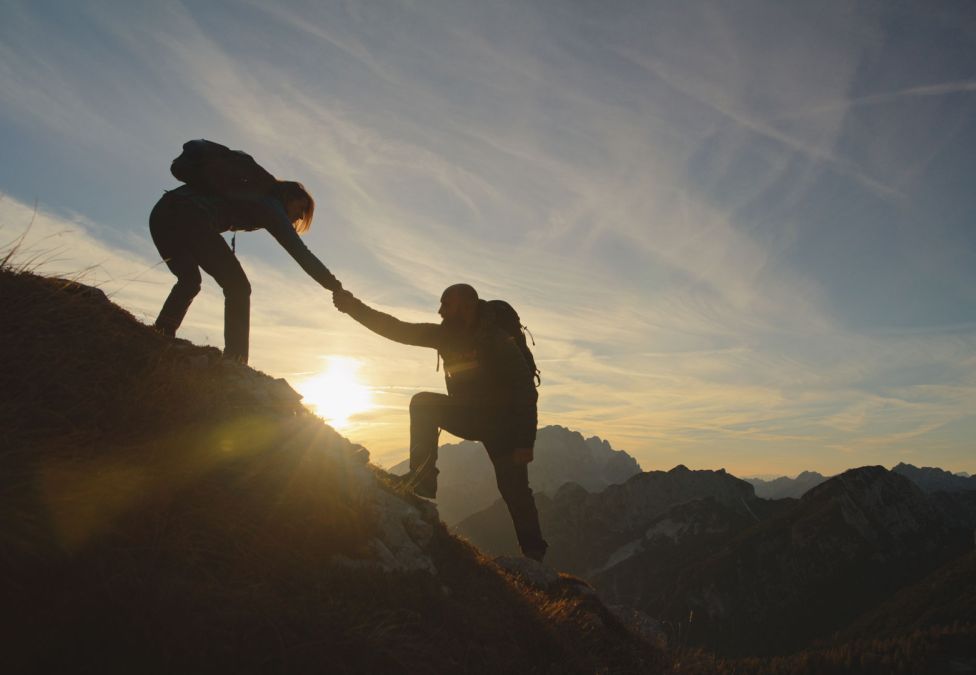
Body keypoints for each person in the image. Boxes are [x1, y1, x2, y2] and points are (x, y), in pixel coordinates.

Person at [333, 283, 548, 562]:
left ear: (467, 307)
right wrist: (353, 308)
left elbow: (525, 389)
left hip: (504, 427)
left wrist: (524, 442)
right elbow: (396, 328)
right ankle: (422, 480)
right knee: (423, 403)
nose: (440, 311)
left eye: (446, 305)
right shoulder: (445, 335)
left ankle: (534, 556)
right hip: (470, 415)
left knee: (515, 491)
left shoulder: (496, 339)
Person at [150, 178, 341, 364]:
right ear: (288, 198)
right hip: (191, 216)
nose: (301, 216)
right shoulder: (270, 206)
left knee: (189, 281)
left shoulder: (256, 195)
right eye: (301, 208)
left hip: (163, 212)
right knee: (238, 287)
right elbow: (300, 252)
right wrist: (333, 285)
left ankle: (161, 334)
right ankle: (236, 359)